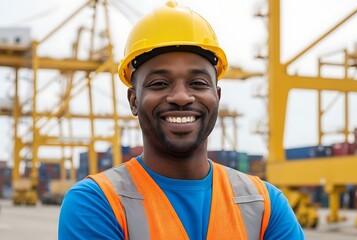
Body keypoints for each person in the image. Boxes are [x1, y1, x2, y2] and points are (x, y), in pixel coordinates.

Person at [58, 1, 305, 239]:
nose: (181, 97)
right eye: (160, 84)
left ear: (216, 97)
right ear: (133, 100)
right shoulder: (97, 202)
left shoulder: (265, 205)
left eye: (198, 83)